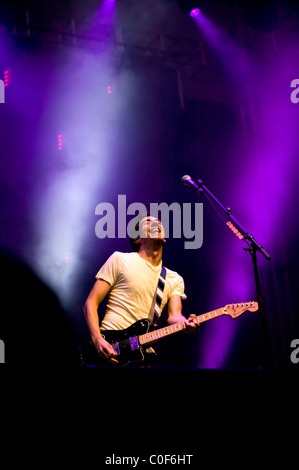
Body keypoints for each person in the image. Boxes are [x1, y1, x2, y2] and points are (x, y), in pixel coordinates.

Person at [83, 213, 200, 366]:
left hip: (140, 354)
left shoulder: (174, 278)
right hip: (109, 345)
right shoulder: (120, 259)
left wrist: (185, 322)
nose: (157, 224)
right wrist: (97, 339)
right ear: (138, 239)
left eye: (159, 223)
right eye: (149, 223)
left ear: (164, 239)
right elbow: (90, 303)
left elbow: (174, 316)